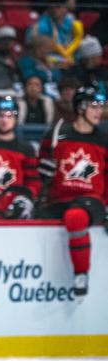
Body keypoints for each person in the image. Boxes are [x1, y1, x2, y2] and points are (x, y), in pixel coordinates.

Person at [37, 87, 108, 297]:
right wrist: (43, 169)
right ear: (81, 108)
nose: (99, 111)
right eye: (94, 106)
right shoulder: (58, 135)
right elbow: (40, 168)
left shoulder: (104, 139)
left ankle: (81, 275)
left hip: (91, 201)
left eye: (101, 106)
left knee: (75, 217)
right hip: (58, 199)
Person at [0, 97, 41, 219]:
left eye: (9, 116)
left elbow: (33, 181)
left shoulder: (26, 149)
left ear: (16, 119)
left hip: (12, 214)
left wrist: (26, 197)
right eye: (1, 116)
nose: (5, 120)